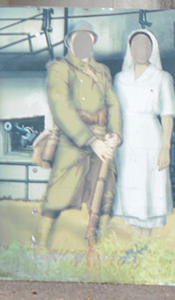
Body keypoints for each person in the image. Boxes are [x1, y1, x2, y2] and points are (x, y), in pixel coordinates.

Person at [35, 22, 121, 253]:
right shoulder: (60, 68)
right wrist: (91, 141)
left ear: (93, 42)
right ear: (69, 41)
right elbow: (61, 106)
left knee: (106, 195)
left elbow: (113, 103)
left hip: (103, 138)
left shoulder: (102, 70)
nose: (84, 42)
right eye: (78, 38)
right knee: (58, 194)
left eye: (88, 38)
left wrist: (115, 135)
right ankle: (41, 247)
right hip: (74, 139)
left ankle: (100, 247)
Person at [113, 28, 175, 233]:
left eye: (146, 45)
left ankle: (145, 244)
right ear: (130, 49)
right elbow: (114, 112)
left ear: (153, 49)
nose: (141, 49)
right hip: (126, 140)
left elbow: (167, 115)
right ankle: (135, 242)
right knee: (130, 187)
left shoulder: (162, 77)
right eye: (137, 45)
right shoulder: (120, 79)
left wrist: (165, 148)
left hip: (151, 138)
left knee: (149, 187)